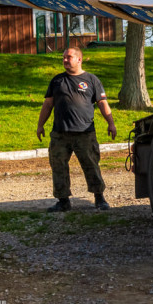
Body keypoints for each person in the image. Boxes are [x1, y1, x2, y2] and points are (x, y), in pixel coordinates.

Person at [37, 46, 117, 212]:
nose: (65, 60)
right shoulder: (57, 81)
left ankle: (99, 198)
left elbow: (102, 103)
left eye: (69, 57)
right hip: (60, 133)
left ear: (79, 59)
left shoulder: (91, 80)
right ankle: (63, 200)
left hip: (84, 133)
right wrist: (40, 125)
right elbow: (48, 104)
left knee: (91, 165)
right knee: (58, 166)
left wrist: (111, 123)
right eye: (64, 57)